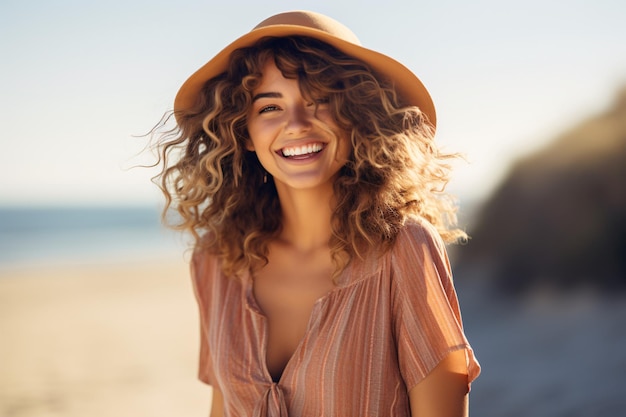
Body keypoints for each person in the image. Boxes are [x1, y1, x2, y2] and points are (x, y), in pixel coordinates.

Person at [154, 10, 480, 417]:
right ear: (244, 132)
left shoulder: (405, 249)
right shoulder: (215, 262)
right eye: (269, 107)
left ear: (356, 117)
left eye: (321, 101)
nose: (296, 124)